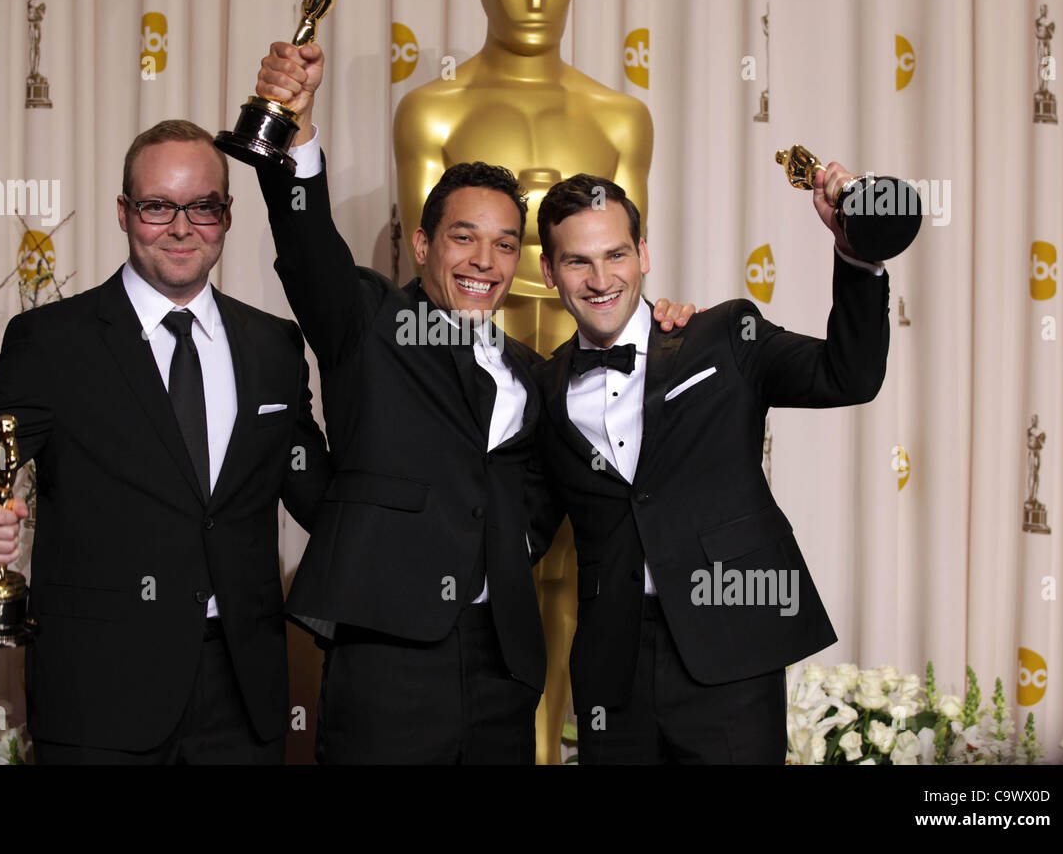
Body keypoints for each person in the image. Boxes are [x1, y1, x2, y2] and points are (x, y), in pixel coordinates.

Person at [251, 41, 689, 764]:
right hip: (389, 654)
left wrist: (511, 545)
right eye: (464, 238)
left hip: (505, 664)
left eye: (505, 244)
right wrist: (294, 133)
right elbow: (307, 246)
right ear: (422, 244)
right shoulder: (368, 320)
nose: (485, 262)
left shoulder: (534, 371)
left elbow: (548, 484)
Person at [0, 119, 331, 763]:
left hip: (245, 698)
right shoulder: (54, 341)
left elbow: (321, 496)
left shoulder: (274, 345)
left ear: (226, 216)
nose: (181, 227)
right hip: (99, 696)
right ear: (124, 213)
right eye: (156, 206)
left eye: (202, 206)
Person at [531, 169, 890, 763]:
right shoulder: (542, 388)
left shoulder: (723, 335)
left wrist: (857, 258)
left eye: (616, 254)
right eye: (577, 262)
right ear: (548, 273)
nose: (600, 280)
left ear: (643, 254)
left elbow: (847, 375)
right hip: (612, 669)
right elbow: (525, 520)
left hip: (731, 643)